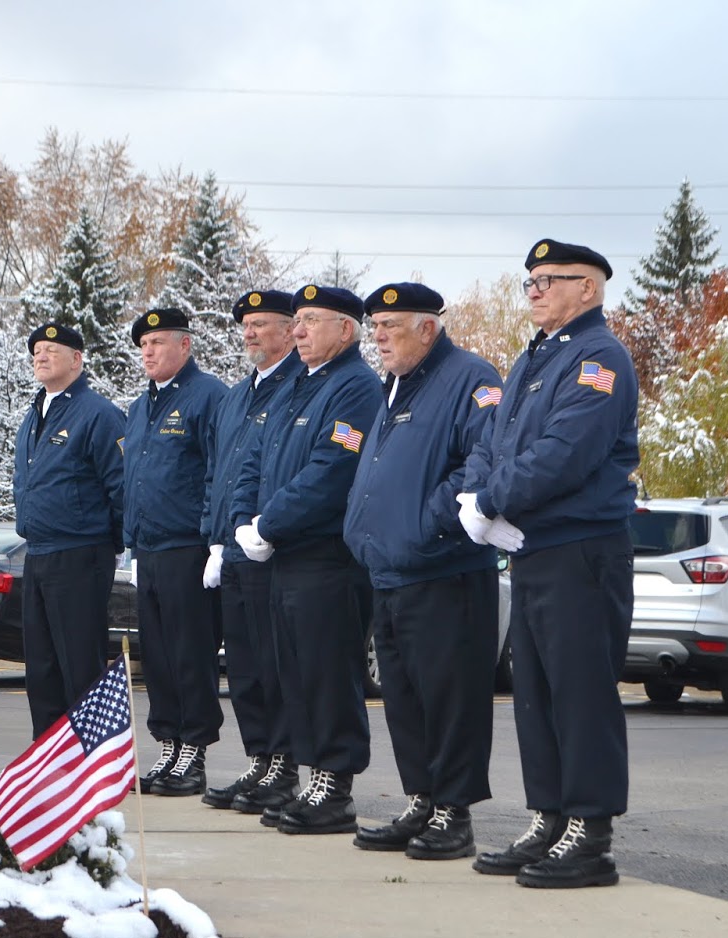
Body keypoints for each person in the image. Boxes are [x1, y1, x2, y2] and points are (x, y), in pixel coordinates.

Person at [461, 239, 639, 889]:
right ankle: (551, 816)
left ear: (586, 289)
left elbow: (567, 452)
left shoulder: (599, 358)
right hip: (533, 546)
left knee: (579, 692)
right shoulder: (536, 357)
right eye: (528, 281)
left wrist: (491, 500)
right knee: (534, 695)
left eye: (547, 280)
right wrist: (476, 498)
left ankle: (590, 833)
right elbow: (496, 441)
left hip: (582, 548)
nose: (533, 290)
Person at [342, 282, 507, 860]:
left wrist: (426, 522)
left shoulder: (469, 378)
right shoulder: (395, 386)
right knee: (406, 700)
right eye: (375, 327)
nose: (378, 337)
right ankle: (422, 799)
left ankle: (454, 814)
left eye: (390, 327)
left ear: (428, 329)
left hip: (444, 570)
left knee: (449, 697)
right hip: (390, 572)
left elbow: (481, 462)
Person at [231, 284, 381, 834]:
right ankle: (311, 778)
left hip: (326, 557)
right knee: (293, 672)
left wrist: (268, 524)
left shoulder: (355, 387)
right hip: (284, 556)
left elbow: (331, 472)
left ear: (345, 329)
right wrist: (246, 522)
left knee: (326, 673)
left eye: (310, 320)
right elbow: (256, 459)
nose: (298, 330)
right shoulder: (300, 387)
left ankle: (334, 787)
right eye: (296, 320)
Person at [198, 290, 304, 813]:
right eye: (246, 325)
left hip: (271, 547)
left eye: (263, 324)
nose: (251, 333)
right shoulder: (237, 396)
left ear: (290, 330)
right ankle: (258, 758)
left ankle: (282, 765)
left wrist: (256, 531)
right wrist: (212, 536)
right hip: (231, 550)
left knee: (272, 661)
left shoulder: (295, 388)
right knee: (241, 664)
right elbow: (218, 473)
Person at [123, 308, 229, 796]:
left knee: (191, 654)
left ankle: (194, 750)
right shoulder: (141, 406)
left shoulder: (208, 397)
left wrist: (214, 538)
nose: (148, 351)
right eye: (143, 344)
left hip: (189, 546)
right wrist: (132, 543)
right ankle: (168, 744)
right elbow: (135, 479)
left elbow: (217, 473)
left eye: (158, 342)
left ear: (185, 346)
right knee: (160, 657)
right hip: (151, 547)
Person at [13, 322, 126, 739]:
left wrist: (111, 543)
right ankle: (48, 756)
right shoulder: (34, 413)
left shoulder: (98, 414)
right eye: (37, 351)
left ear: (77, 360)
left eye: (51, 350)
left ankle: (89, 758)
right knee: (41, 667)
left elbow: (121, 484)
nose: (41, 356)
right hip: (39, 552)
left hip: (81, 553)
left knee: (79, 663)